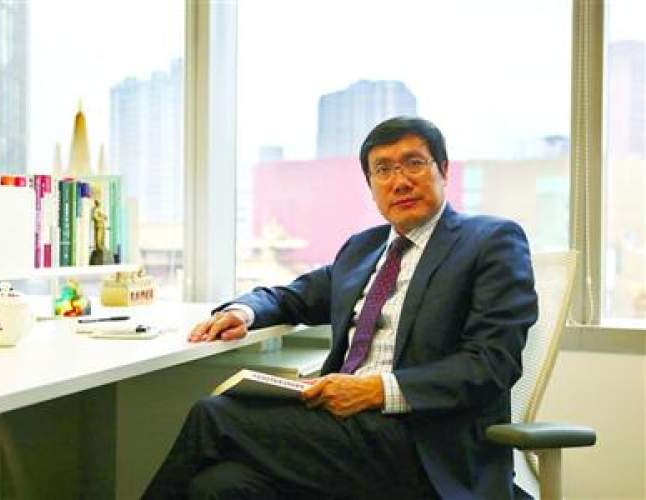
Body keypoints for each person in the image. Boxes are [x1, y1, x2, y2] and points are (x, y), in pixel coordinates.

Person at [142, 116, 538, 499]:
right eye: (383, 170)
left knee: (214, 416)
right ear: (371, 185)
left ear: (444, 170)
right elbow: (292, 297)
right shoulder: (363, 249)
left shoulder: (489, 241)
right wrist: (242, 312)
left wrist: (375, 391)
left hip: (426, 445)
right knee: (219, 485)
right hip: (346, 434)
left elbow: (491, 364)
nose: (400, 181)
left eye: (414, 163)